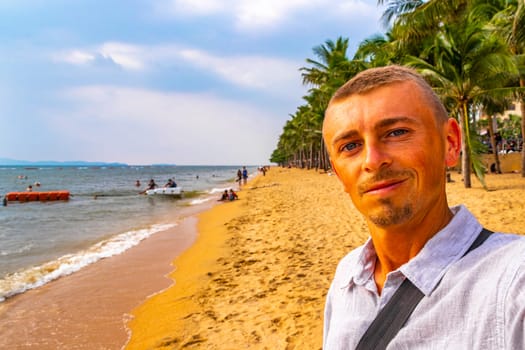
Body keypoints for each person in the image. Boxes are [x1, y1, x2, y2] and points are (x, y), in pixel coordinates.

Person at [322, 65, 525, 349]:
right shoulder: (347, 278)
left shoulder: (513, 282)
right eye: (351, 146)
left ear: (450, 143)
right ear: (339, 173)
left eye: (396, 132)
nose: (372, 160)